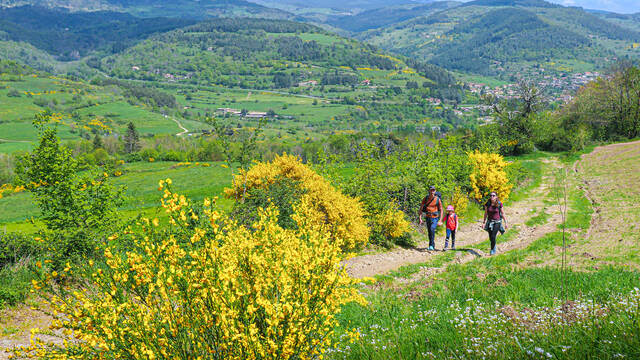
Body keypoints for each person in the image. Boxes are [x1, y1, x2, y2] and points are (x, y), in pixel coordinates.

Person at [419, 186, 442, 251]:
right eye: (431, 190)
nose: (432, 191)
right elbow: (420, 209)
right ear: (429, 191)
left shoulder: (437, 199)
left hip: (435, 217)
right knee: (429, 232)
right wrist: (420, 218)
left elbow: (441, 209)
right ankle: (431, 245)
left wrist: (440, 220)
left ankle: (431, 245)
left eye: (433, 190)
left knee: (432, 229)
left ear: (435, 191)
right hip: (428, 217)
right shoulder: (425, 198)